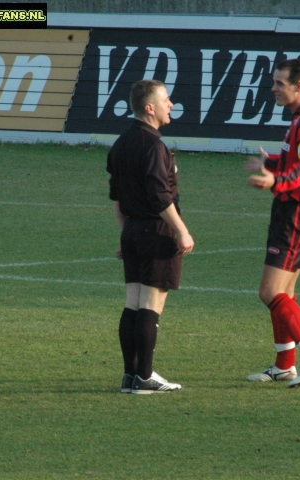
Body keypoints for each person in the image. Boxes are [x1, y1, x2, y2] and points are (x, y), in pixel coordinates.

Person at [244, 59, 300, 388]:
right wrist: (272, 162)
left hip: (296, 213)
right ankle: (284, 364)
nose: (273, 88)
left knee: (269, 292)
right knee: (284, 294)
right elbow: (299, 159)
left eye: (280, 83)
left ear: (299, 86)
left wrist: (276, 181)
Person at [106, 79, 194, 394]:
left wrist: (124, 233)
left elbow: (115, 196)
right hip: (157, 232)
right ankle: (144, 377)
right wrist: (181, 230)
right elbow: (160, 197)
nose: (170, 105)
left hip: (131, 230)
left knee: (133, 304)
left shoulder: (121, 143)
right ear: (149, 108)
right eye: (166, 100)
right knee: (150, 305)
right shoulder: (154, 146)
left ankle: (130, 376)